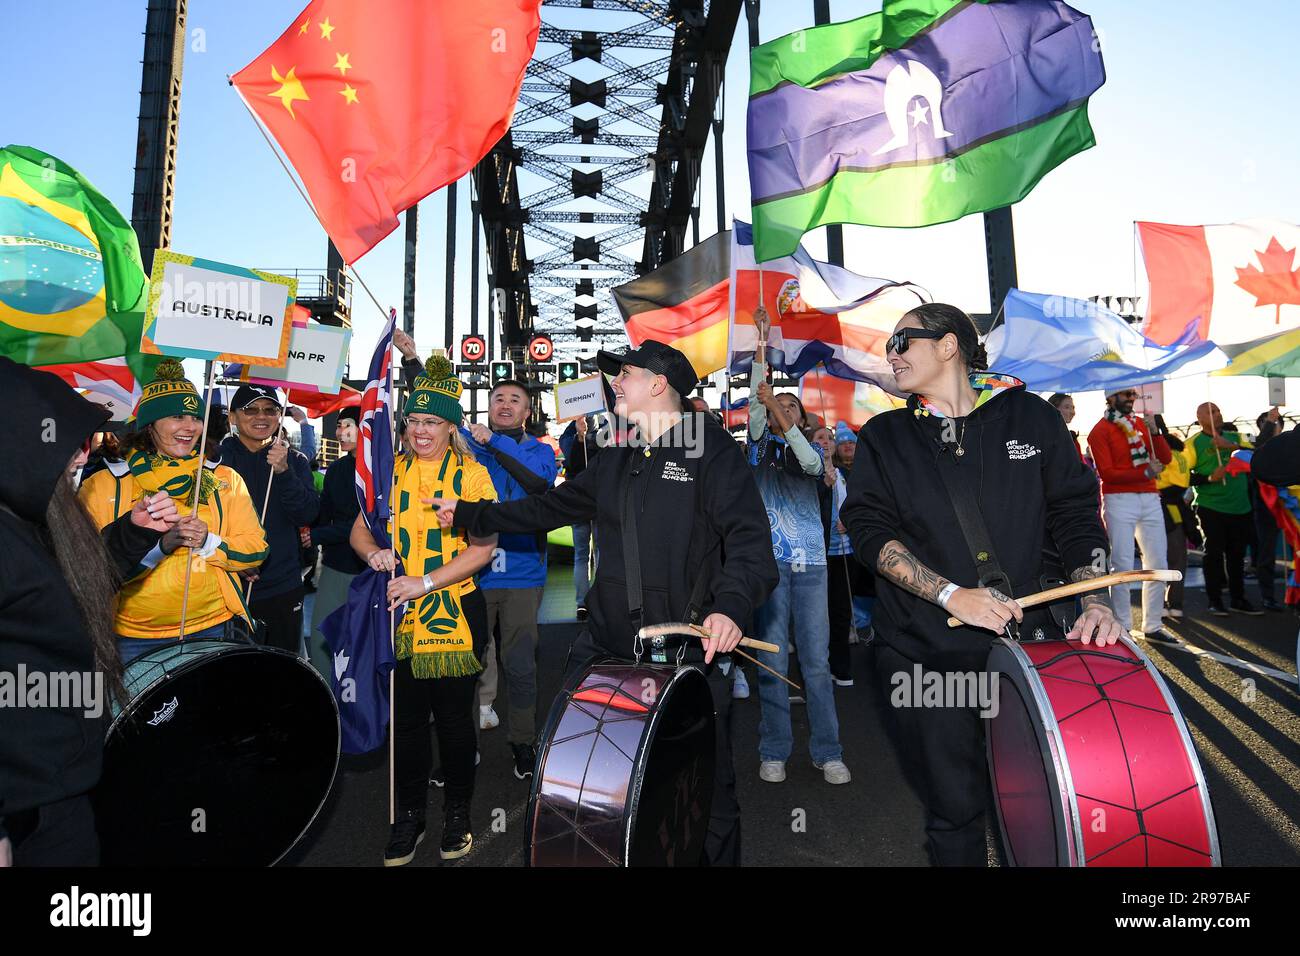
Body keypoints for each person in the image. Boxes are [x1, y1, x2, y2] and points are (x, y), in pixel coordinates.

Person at [433, 340, 777, 866]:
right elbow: (546, 507)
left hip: (686, 656)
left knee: (702, 795)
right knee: (578, 784)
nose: (616, 382)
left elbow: (752, 547)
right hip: (604, 649)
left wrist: (729, 607)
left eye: (627, 374)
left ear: (659, 384)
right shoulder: (616, 459)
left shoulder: (711, 450)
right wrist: (473, 515)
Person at [842, 303, 1120, 867]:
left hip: (1034, 649)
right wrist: (950, 594)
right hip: (926, 657)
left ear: (948, 346)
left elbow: (1074, 513)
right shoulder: (885, 435)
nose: (890, 354)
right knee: (955, 810)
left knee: (1052, 802)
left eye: (903, 342)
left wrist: (1094, 596)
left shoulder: (1030, 418)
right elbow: (868, 531)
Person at [1, 359, 183, 866]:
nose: (83, 455)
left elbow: (71, 588)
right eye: (69, 440)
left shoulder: (31, 519)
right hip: (22, 813)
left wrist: (134, 532)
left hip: (58, 792)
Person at [349, 357, 498, 866]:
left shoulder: (474, 476)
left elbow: (482, 549)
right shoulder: (389, 471)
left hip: (456, 608)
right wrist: (375, 553)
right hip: (399, 611)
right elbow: (359, 528)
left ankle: (458, 813)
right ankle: (408, 815)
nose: (419, 430)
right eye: (413, 420)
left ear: (451, 426)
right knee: (407, 722)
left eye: (431, 421)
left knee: (454, 721)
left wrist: (426, 582)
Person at [79, 360, 268, 664]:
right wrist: (160, 545)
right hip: (131, 641)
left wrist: (209, 542)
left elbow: (256, 549)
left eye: (196, 416)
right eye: (177, 416)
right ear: (150, 424)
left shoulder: (224, 480)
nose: (190, 426)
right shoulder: (104, 485)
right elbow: (90, 571)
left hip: (213, 629)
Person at [747, 312, 850, 786]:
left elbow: (809, 463)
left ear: (804, 419)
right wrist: (762, 343)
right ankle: (774, 749)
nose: (784, 409)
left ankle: (828, 751)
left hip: (811, 565)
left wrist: (781, 411)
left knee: (816, 660)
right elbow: (755, 401)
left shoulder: (810, 453)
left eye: (793, 406)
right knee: (771, 660)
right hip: (767, 567)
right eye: (778, 405)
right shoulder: (756, 449)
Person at [462, 378, 558, 775]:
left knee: (520, 665)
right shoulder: (468, 447)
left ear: (527, 412)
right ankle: (463, 746)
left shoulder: (539, 451)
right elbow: (440, 414)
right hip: (472, 574)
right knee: (466, 664)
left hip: (521, 575)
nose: (504, 404)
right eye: (498, 398)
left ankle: (522, 741)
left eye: (514, 400)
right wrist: (415, 360)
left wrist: (495, 443)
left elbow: (537, 484)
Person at [219, 384, 320, 653]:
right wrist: (233, 561)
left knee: (280, 677)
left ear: (279, 415)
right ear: (232, 417)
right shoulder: (215, 460)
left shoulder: (294, 460)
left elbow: (308, 513)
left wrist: (284, 472)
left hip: (283, 587)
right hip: (227, 588)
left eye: (270, 409)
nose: (260, 416)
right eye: (250, 409)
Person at [1086, 387, 1171, 637]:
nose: (1132, 399)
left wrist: (1155, 432)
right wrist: (1144, 473)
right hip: (1118, 500)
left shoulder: (1142, 425)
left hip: (1150, 497)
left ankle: (1154, 625)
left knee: (1158, 563)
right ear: (1111, 398)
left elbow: (1164, 458)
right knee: (1122, 564)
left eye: (1133, 395)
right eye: (1126, 395)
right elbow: (1107, 473)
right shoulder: (1099, 431)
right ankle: (1122, 625)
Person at [304, 407, 363, 681]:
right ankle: (330, 703)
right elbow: (323, 512)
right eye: (339, 426)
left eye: (348, 425)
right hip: (334, 566)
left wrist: (316, 536)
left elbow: (361, 524)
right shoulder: (337, 468)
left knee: (364, 644)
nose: (340, 432)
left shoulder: (384, 468)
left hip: (370, 572)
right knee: (320, 640)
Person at [1188, 402, 1261, 617]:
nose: (1217, 414)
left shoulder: (1236, 437)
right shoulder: (1192, 444)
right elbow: (1184, 476)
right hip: (1210, 506)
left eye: (1218, 410)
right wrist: (1210, 477)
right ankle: (1215, 599)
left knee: (1237, 555)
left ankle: (1238, 598)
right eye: (1211, 411)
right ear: (1200, 417)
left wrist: (1229, 445)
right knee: (1213, 553)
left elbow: (1258, 448)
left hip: (1240, 507)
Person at [1151, 415, 1198, 622]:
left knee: (1158, 560)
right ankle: (1175, 603)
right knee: (1178, 560)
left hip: (1158, 510)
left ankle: (1160, 604)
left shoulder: (1161, 453)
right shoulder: (1182, 455)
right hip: (1176, 511)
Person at [558, 413, 600, 614]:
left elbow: (571, 465)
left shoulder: (567, 437)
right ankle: (595, 600)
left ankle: (583, 602)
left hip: (581, 501)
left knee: (582, 554)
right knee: (597, 552)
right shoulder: (606, 432)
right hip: (597, 500)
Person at [1250, 408, 1285, 611]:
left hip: (1291, 507)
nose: (1273, 426)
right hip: (1265, 508)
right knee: (1267, 553)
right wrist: (1270, 423)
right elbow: (1259, 448)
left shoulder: (1290, 444)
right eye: (1268, 424)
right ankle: (1268, 595)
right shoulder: (1258, 448)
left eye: (1275, 422)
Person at [1048, 393, 1083, 460]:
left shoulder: (1072, 438)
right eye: (1067, 407)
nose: (1073, 412)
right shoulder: (1044, 438)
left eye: (1073, 407)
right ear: (1053, 408)